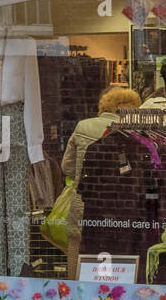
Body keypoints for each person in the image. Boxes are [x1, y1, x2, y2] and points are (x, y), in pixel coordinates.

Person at [60, 85, 141, 280]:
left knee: (78, 255)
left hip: (84, 202)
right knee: (122, 258)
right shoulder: (135, 132)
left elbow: (67, 166)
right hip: (123, 207)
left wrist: (83, 174)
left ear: (105, 104)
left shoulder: (83, 126)